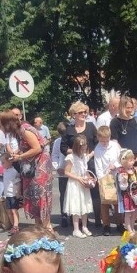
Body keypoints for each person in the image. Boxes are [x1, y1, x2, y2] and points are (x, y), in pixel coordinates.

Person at [2, 111, 53, 232]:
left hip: (39, 167)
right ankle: (39, 229)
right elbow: (26, 146)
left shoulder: (25, 130)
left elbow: (37, 148)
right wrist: (18, 152)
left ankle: (48, 229)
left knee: (39, 196)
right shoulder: (20, 131)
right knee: (34, 197)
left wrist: (19, 157)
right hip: (31, 167)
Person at [63, 101, 100, 229]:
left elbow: (97, 144)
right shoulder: (69, 129)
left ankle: (97, 219)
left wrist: (90, 155)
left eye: (85, 112)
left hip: (89, 161)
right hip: (75, 164)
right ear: (74, 115)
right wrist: (75, 153)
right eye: (81, 112)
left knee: (93, 191)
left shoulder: (91, 126)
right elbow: (63, 147)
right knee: (77, 193)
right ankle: (78, 223)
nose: (84, 114)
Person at [93, 125, 122, 236]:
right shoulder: (98, 149)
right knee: (105, 203)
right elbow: (98, 166)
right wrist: (102, 180)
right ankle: (106, 225)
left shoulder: (115, 146)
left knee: (117, 202)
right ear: (98, 138)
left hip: (117, 176)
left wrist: (115, 165)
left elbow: (121, 158)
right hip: (105, 178)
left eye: (106, 141)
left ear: (110, 137)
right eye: (102, 141)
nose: (104, 143)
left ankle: (119, 223)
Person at [64, 135, 94, 238]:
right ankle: (76, 229)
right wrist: (78, 178)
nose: (84, 149)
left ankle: (84, 226)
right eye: (82, 147)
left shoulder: (84, 157)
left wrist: (89, 178)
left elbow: (85, 171)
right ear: (77, 146)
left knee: (84, 205)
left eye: (85, 147)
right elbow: (66, 172)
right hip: (74, 184)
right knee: (76, 206)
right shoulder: (71, 157)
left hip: (83, 183)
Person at [110, 96, 137, 163]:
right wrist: (125, 154)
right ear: (121, 107)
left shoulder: (136, 120)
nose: (130, 110)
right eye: (127, 108)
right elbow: (114, 141)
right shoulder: (115, 122)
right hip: (123, 159)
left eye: (131, 108)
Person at [116, 149, 137, 235]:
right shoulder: (122, 172)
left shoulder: (133, 170)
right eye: (130, 160)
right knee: (128, 213)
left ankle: (132, 226)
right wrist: (124, 181)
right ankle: (128, 229)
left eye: (133, 159)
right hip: (127, 195)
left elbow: (135, 180)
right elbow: (122, 188)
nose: (133, 162)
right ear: (124, 162)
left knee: (135, 213)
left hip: (135, 194)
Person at [51, 121, 69, 228]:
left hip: (72, 171)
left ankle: (74, 215)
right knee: (63, 194)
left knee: (73, 193)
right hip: (62, 172)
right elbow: (55, 155)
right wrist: (57, 167)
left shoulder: (72, 140)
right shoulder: (57, 142)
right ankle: (64, 215)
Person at [0, 151, 21, 234]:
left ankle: (16, 226)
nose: (2, 164)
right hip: (7, 194)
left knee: (14, 211)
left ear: (9, 162)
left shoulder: (14, 171)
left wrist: (18, 192)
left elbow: (18, 182)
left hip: (13, 194)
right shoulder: (5, 171)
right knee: (9, 211)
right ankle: (13, 226)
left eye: (3, 163)